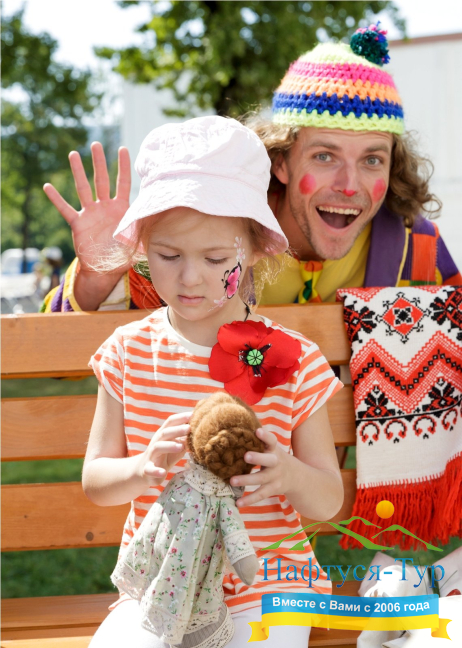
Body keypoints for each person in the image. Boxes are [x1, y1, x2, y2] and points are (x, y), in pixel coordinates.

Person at [83, 115, 344, 648]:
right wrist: (140, 467)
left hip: (269, 587)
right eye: (168, 256)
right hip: (162, 586)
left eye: (216, 258)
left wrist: (289, 474)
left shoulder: (295, 361)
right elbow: (96, 480)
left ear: (255, 249)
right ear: (142, 247)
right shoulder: (128, 353)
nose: (190, 277)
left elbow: (327, 501)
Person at [41, 25, 460, 314]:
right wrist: (95, 277)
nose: (350, 186)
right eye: (324, 156)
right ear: (281, 161)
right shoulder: (203, 226)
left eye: (372, 160)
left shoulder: (417, 250)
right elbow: (58, 362)